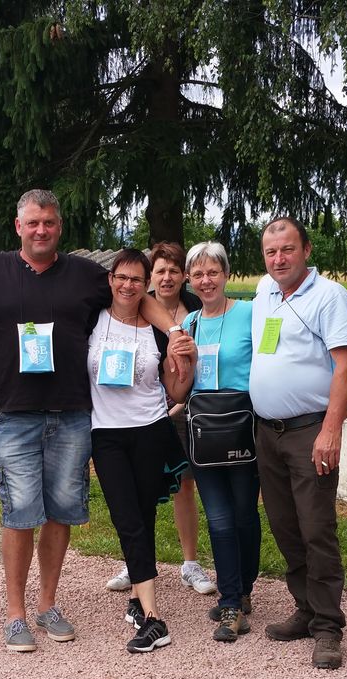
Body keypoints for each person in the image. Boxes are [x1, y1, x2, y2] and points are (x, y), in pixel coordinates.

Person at [0, 189, 190, 652]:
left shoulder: (85, 274)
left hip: (72, 415)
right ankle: (15, 614)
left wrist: (174, 330)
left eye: (50, 223)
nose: (41, 230)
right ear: (18, 226)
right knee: (19, 514)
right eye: (33, 223)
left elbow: (137, 297)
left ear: (59, 227)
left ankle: (48, 604)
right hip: (16, 415)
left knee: (61, 513)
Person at [250, 217, 347, 670]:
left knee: (316, 527)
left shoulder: (329, 297)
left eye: (287, 249)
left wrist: (331, 431)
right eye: (271, 251)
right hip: (267, 432)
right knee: (284, 525)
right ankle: (306, 607)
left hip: (309, 431)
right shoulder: (265, 291)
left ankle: (329, 626)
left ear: (307, 250)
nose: (279, 259)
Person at [88, 249, 194, 653]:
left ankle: (139, 600)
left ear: (145, 284)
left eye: (136, 279)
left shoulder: (156, 330)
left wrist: (186, 362)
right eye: (121, 277)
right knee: (127, 518)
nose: (127, 285)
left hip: (150, 429)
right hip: (106, 434)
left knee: (143, 515)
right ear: (110, 279)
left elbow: (176, 391)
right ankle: (154, 617)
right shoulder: (92, 318)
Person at [103, 241, 216, 597]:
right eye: (160, 271)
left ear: (184, 276)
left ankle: (190, 562)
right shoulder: (139, 307)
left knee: (184, 486)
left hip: (188, 410)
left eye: (174, 271)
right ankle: (136, 562)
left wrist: (177, 404)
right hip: (149, 415)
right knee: (138, 493)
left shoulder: (196, 309)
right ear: (151, 276)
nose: (167, 278)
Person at [178, 241, 261, 643]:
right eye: (198, 274)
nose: (206, 281)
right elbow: (181, 380)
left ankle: (243, 588)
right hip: (204, 434)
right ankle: (230, 603)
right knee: (219, 518)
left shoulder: (250, 314)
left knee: (244, 514)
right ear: (189, 280)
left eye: (213, 272)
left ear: (226, 274)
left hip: (243, 427)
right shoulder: (190, 323)